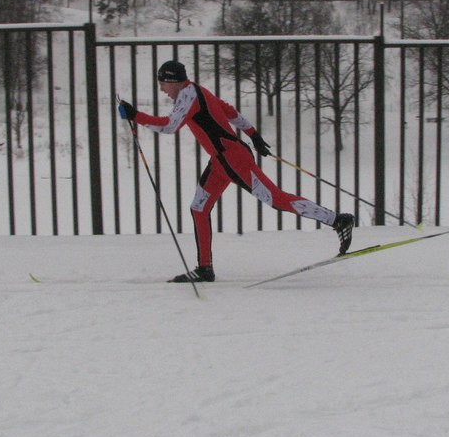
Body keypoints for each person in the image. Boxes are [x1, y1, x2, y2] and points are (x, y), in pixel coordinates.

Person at [119, 60, 354, 283]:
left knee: (276, 199)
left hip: (233, 160)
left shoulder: (189, 96)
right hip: (220, 162)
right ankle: (204, 268)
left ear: (174, 81)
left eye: (163, 83)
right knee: (199, 208)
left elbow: (170, 126)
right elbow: (228, 110)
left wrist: (135, 116)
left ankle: (338, 220)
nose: (162, 89)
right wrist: (253, 134)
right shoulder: (196, 91)